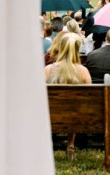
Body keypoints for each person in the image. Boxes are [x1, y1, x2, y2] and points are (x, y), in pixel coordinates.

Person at [44, 32, 91, 160]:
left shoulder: (48, 70)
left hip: (51, 115)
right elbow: (89, 98)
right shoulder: (83, 71)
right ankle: (70, 145)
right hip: (77, 118)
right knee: (75, 107)